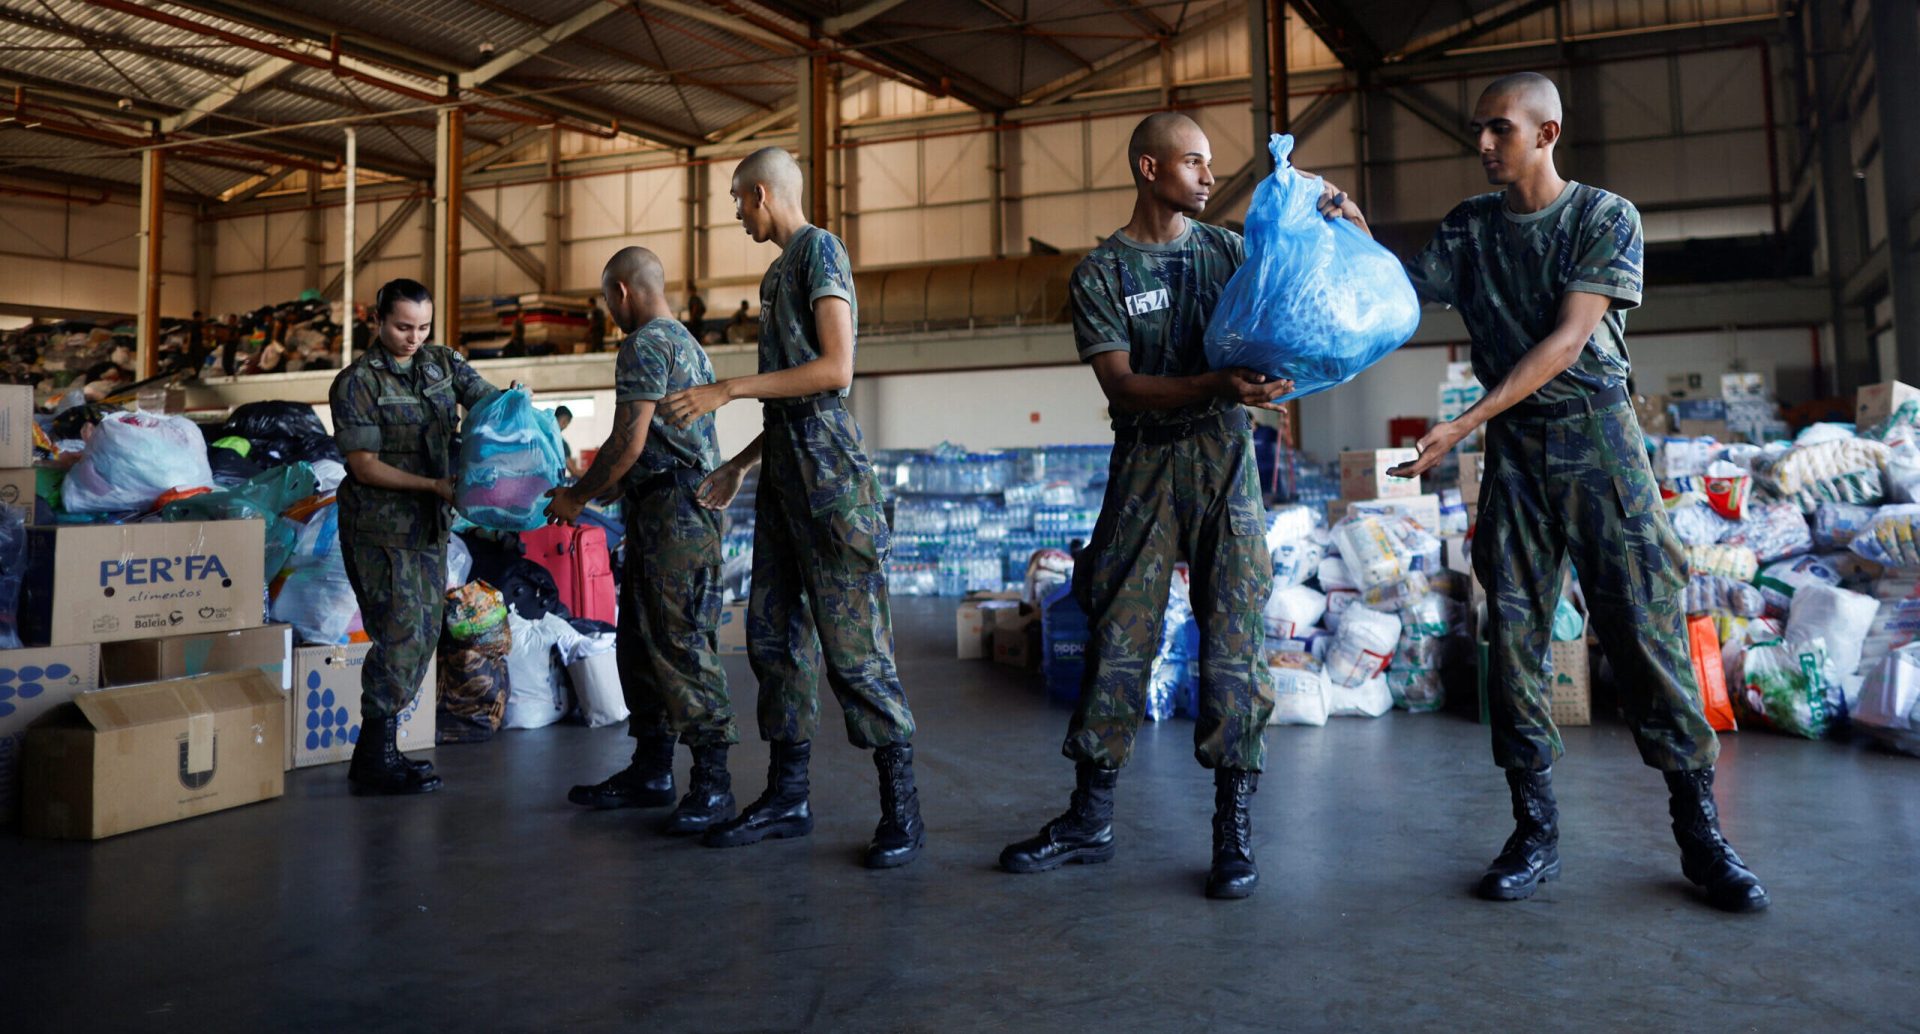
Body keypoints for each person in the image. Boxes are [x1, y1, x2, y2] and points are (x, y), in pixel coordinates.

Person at [1392, 72, 1767, 912]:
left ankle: (1701, 837)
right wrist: (1339, 238)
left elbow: (1567, 342)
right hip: (1518, 453)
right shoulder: (1470, 229)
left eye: (1499, 129)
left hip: (1598, 437)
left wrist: (1460, 425)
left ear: (1547, 133)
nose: (1483, 145)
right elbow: (1391, 298)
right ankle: (1534, 831)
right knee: (1516, 639)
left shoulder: (1604, 218)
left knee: (1645, 631)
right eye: (1478, 131)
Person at [994, 112, 1358, 900]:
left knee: (1233, 643)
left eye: (1210, 163)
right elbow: (1122, 385)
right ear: (1149, 168)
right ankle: (1090, 818)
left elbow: (1298, 288)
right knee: (1118, 639)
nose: (1206, 175)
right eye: (1193, 163)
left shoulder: (1226, 250)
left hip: (1226, 462)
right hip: (1146, 468)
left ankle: (1233, 832)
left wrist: (1335, 219)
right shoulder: (1102, 274)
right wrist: (1217, 384)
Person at [660, 146, 924, 870]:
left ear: (763, 193)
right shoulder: (776, 274)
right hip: (784, 475)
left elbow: (834, 372)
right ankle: (788, 796)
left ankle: (902, 808)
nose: (738, 215)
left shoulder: (819, 252)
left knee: (854, 651)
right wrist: (741, 465)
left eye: (739, 202)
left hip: (832, 480)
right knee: (775, 640)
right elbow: (790, 403)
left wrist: (726, 391)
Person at [547, 247, 740, 834]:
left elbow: (626, 442)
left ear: (622, 292)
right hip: (664, 508)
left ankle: (713, 783)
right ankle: (652, 769)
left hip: (675, 514)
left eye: (608, 300)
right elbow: (646, 447)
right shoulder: (686, 342)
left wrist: (576, 497)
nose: (610, 311)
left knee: (679, 643)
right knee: (639, 640)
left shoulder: (643, 343)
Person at [329, 278, 504, 796]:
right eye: (403, 326)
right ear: (377, 321)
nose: (413, 337)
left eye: (423, 327)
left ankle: (380, 753)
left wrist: (514, 411)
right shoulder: (356, 382)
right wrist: (434, 484)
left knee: (424, 634)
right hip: (379, 528)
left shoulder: (441, 363)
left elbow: (488, 404)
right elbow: (363, 466)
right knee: (400, 636)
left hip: (429, 526)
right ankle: (375, 755)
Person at [553, 405, 584, 478]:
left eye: (567, 423)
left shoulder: (543, 436)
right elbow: (574, 471)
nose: (566, 425)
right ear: (555, 418)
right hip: (553, 484)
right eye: (564, 421)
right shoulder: (560, 443)